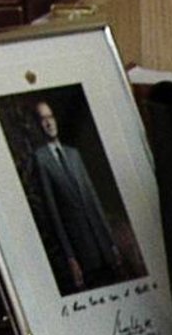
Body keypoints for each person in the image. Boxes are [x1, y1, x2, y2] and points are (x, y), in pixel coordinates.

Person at [27, 100, 123, 294]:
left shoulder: (74, 154)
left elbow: (92, 198)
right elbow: (53, 213)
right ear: (38, 125)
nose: (49, 123)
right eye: (43, 119)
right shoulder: (40, 159)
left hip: (103, 245)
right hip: (82, 254)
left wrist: (111, 242)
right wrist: (70, 257)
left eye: (51, 117)